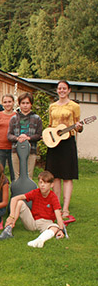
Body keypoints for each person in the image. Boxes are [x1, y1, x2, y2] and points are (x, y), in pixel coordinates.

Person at [0, 171, 66, 248]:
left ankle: (39, 240)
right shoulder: (35, 192)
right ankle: (8, 229)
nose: (42, 185)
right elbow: (14, 199)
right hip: (33, 222)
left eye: (45, 183)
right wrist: (11, 216)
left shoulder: (53, 197)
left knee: (55, 227)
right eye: (41, 182)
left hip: (46, 223)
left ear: (52, 185)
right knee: (19, 203)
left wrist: (61, 230)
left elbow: (58, 216)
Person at [45, 80, 82, 222]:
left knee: (67, 175)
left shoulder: (74, 106)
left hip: (67, 143)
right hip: (54, 142)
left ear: (69, 90)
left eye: (64, 88)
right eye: (59, 88)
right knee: (55, 176)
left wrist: (78, 127)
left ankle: (65, 208)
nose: (61, 90)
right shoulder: (52, 106)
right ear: (57, 90)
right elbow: (50, 124)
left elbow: (78, 127)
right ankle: (57, 206)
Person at [7, 93, 43, 180]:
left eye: (27, 103)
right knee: (17, 176)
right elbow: (9, 135)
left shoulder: (37, 118)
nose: (25, 105)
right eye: (23, 103)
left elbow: (39, 135)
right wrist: (17, 138)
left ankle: (28, 193)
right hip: (16, 150)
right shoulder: (13, 118)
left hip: (31, 150)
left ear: (31, 104)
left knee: (28, 175)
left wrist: (28, 138)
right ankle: (18, 193)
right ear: (19, 104)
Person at [0, 94, 16, 182]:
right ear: (2, 103)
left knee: (14, 173)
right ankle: (0, 193)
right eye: (5, 102)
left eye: (9, 102)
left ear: (13, 103)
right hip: (0, 148)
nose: (7, 104)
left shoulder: (17, 115)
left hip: (13, 148)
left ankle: (14, 193)